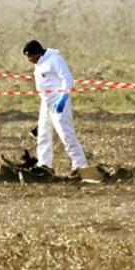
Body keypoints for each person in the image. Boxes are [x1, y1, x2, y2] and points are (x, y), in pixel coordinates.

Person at [23, 40, 88, 172]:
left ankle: (80, 165)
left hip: (59, 102)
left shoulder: (54, 59)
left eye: (30, 56)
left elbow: (67, 79)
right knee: (43, 134)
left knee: (66, 134)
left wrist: (63, 99)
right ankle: (44, 165)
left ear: (37, 53)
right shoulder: (39, 63)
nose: (29, 59)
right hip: (46, 102)